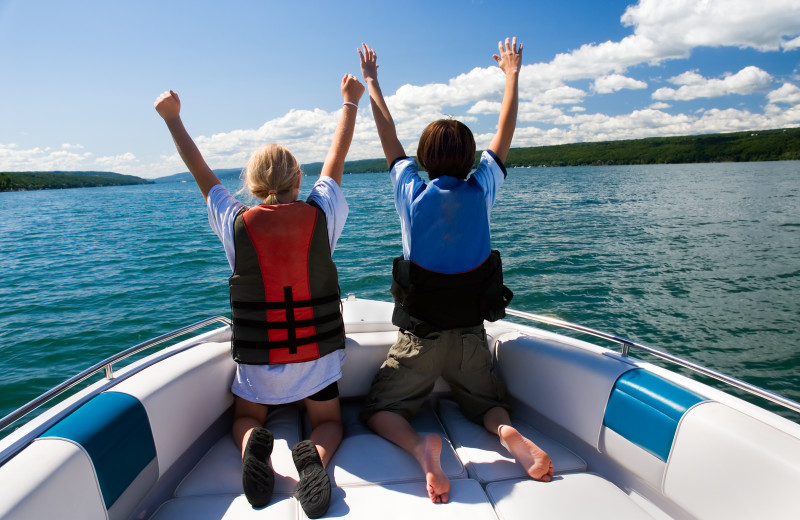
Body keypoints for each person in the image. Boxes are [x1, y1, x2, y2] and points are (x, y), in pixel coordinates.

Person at [154, 73, 364, 518]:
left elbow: (201, 172)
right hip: (317, 358)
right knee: (328, 422)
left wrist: (173, 120)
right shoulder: (322, 214)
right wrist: (349, 102)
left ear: (249, 185)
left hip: (259, 362)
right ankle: (316, 460)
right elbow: (337, 158)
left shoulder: (234, 223)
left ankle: (254, 447)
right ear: (299, 180)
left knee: (247, 418)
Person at [357, 38, 553, 504]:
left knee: (376, 412)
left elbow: (388, 135)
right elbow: (505, 130)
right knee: (488, 405)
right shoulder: (483, 186)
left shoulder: (410, 190)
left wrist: (372, 82)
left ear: (422, 159)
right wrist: (511, 75)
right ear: (471, 159)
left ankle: (422, 450)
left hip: (419, 341)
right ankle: (506, 432)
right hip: (469, 340)